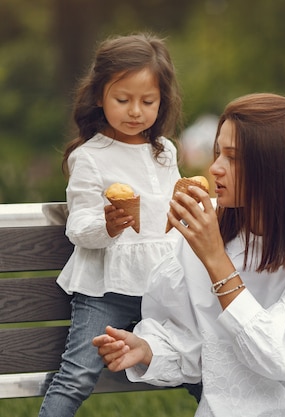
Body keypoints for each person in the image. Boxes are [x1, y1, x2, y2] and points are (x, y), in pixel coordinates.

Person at [93, 93, 285, 416]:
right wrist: (147, 349)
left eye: (233, 158)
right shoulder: (206, 234)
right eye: (218, 152)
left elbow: (280, 355)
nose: (215, 169)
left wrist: (216, 260)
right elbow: (196, 347)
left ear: (275, 168)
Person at [38, 33, 184, 417]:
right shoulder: (90, 156)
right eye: (123, 99)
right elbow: (80, 227)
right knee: (77, 375)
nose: (135, 111)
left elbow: (168, 216)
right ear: (100, 95)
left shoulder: (164, 151)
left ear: (162, 102)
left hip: (162, 286)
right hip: (106, 290)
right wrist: (109, 225)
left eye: (148, 101)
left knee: (202, 364)